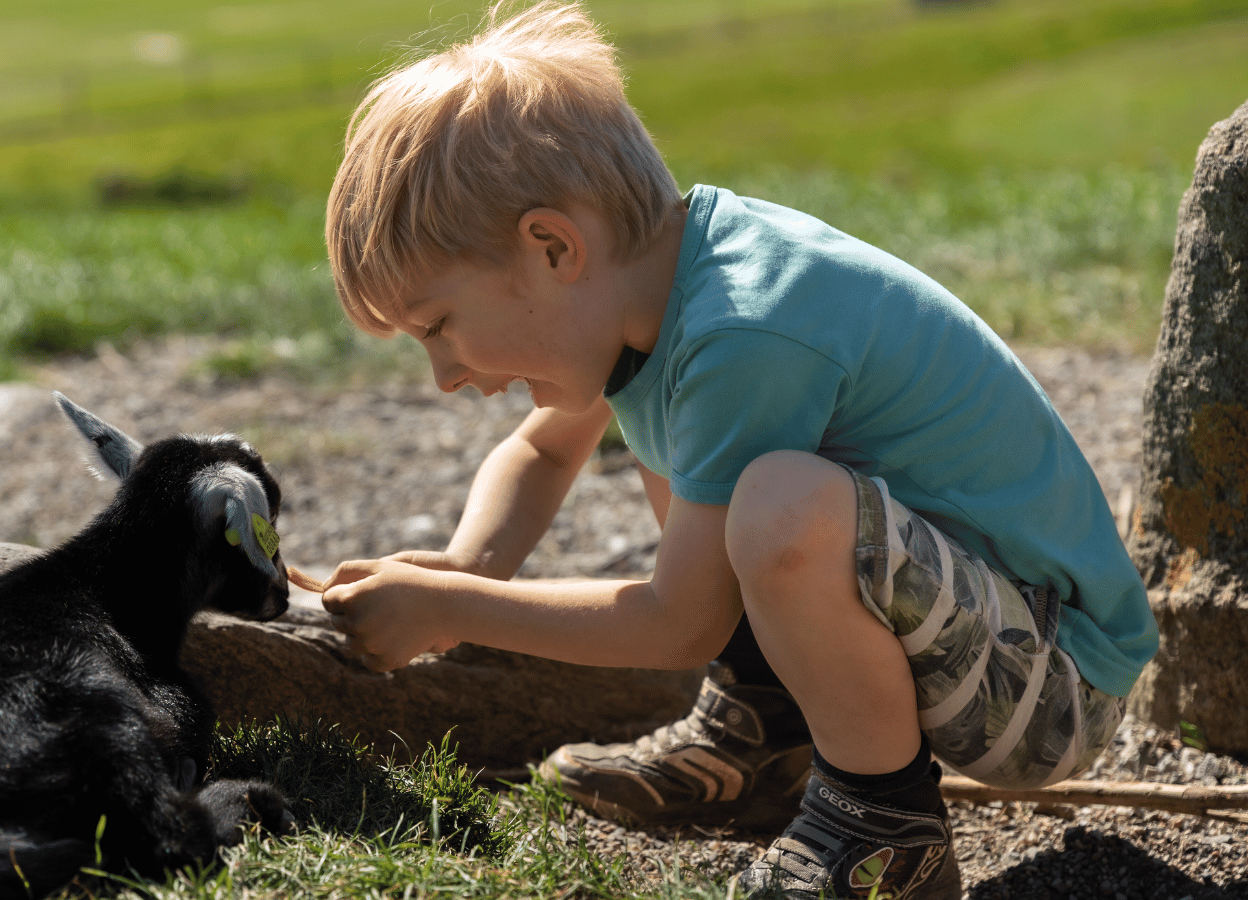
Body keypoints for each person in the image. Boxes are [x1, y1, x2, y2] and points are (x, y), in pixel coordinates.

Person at [314, 3, 1159, 897]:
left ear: (553, 247)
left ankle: (883, 829)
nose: (444, 373)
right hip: (983, 638)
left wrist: (454, 610)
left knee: (781, 505)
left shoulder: (741, 331)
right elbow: (543, 455)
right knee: (724, 476)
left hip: (1054, 687)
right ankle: (764, 736)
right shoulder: (647, 295)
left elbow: (679, 621)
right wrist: (463, 567)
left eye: (439, 327)